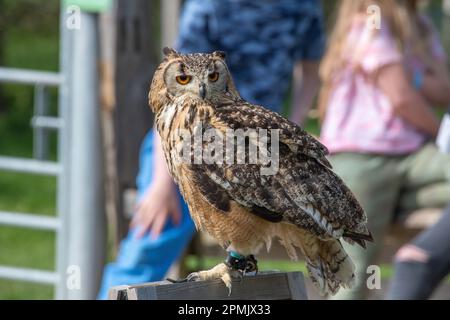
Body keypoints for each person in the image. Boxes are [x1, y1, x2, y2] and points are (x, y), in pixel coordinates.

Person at [97, 0, 325, 299]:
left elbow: (310, 72)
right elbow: (180, 80)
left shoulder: (300, 5)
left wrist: (288, 132)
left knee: (242, 261)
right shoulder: (212, 4)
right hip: (185, 133)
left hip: (255, 139)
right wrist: (162, 183)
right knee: (150, 241)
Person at [318, 0, 450, 299]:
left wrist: (411, 76)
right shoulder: (371, 25)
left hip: (412, 153)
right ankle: (399, 208)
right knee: (355, 272)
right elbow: (401, 98)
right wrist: (440, 135)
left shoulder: (421, 26)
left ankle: (405, 215)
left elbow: (444, 89)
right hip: (363, 157)